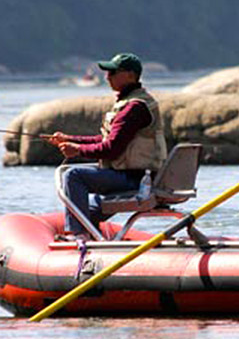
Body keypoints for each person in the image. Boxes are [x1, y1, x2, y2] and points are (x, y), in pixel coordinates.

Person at [47, 52, 167, 239]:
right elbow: (105, 140)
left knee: (73, 175)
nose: (107, 77)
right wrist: (68, 139)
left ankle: (78, 236)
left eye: (112, 72)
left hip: (136, 180)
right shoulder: (133, 102)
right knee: (89, 212)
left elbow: (111, 150)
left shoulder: (134, 107)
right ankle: (89, 240)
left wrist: (77, 150)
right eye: (107, 73)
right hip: (137, 176)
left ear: (130, 75)